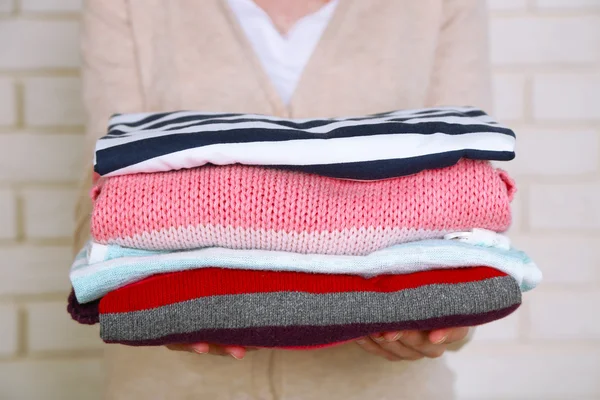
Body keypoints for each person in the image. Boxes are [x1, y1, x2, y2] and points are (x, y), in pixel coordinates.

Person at [75, 0, 491, 398]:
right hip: (173, 390)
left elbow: (471, 197)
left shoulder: (438, 3)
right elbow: (105, 201)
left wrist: (448, 315)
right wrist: (161, 304)